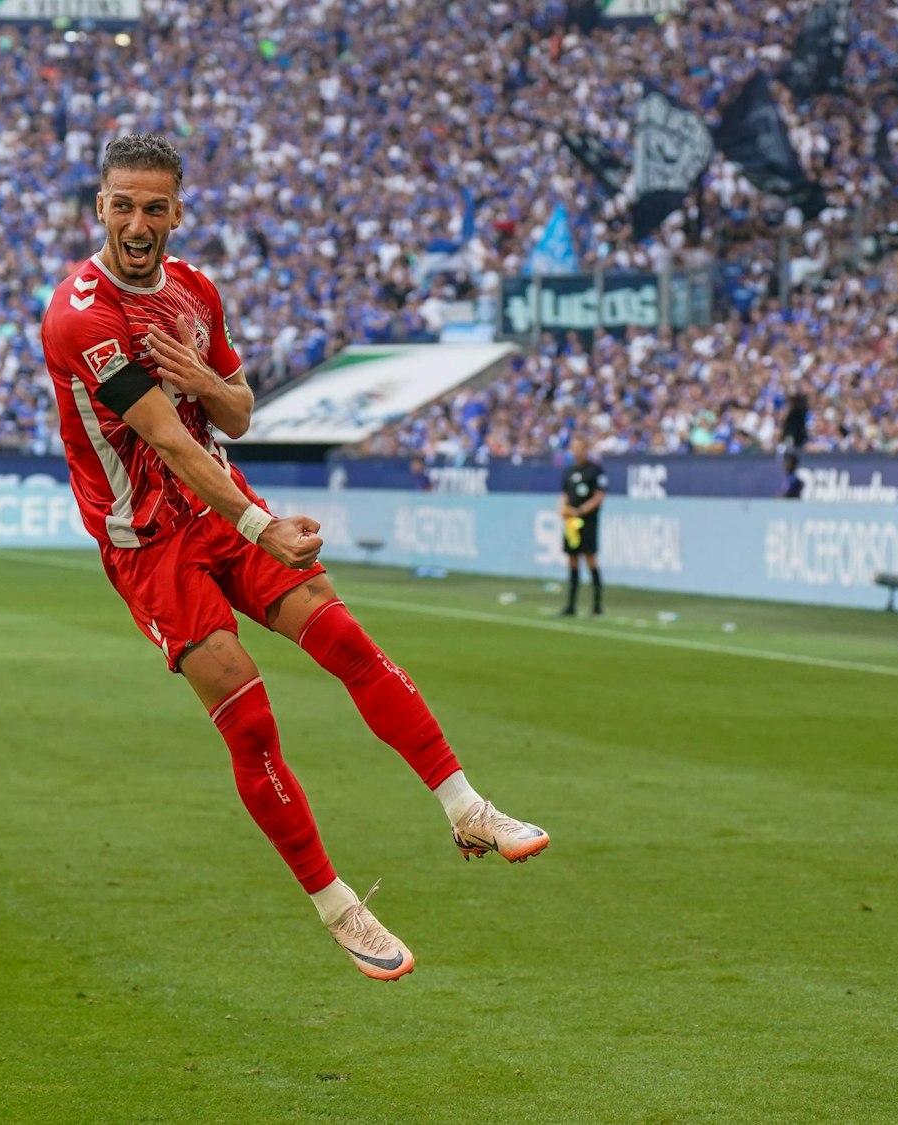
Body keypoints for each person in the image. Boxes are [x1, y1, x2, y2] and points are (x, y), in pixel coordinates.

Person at [40, 134, 547, 982]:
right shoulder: (81, 313)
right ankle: (337, 903)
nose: (137, 222)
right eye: (122, 204)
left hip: (220, 508)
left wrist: (205, 377)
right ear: (99, 206)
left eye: (154, 206)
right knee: (250, 718)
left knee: (345, 638)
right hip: (150, 543)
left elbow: (235, 414)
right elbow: (165, 441)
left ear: (176, 211)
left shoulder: (195, 289)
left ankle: (466, 807)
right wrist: (260, 525)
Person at [558, 435, 606, 616]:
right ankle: (570, 605)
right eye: (574, 447)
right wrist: (563, 509)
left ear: (585, 449)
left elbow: (599, 495)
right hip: (571, 523)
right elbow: (564, 494)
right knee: (572, 559)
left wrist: (582, 510)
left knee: (590, 558)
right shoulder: (569, 471)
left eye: (580, 447)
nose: (577, 451)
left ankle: (597, 606)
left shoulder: (595, 470)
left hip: (588, 521)